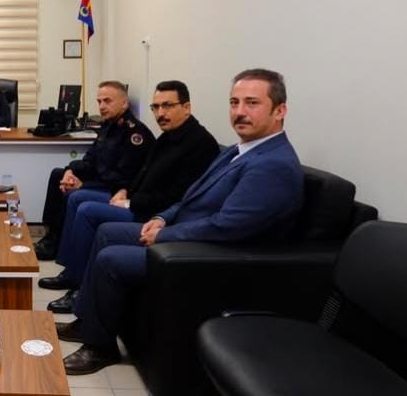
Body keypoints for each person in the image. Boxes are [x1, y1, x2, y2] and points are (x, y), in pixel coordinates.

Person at [59, 68, 305, 375]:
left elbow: (227, 226)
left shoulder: (272, 165)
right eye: (234, 102)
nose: (239, 112)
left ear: (280, 110)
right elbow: (191, 196)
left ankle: (99, 346)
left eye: (252, 103)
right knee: (107, 232)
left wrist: (165, 235)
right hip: (184, 232)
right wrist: (162, 218)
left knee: (111, 258)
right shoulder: (238, 151)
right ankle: (88, 321)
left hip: (209, 255)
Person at [42, 80, 219, 313]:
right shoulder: (166, 137)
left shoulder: (199, 144)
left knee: (86, 208)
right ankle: (71, 272)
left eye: (167, 105)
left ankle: (78, 285)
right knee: (73, 193)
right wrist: (125, 190)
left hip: (152, 214)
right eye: (156, 107)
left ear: (186, 107)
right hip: (135, 199)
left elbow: (178, 196)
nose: (160, 113)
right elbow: (140, 174)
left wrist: (129, 200)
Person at [34, 80, 154, 261]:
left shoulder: (134, 134)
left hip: (117, 190)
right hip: (104, 180)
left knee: (74, 194)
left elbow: (122, 178)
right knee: (58, 174)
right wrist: (70, 171)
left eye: (107, 101)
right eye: (99, 101)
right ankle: (52, 235)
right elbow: (91, 159)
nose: (102, 106)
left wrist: (83, 185)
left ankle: (62, 249)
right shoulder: (107, 126)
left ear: (124, 103)